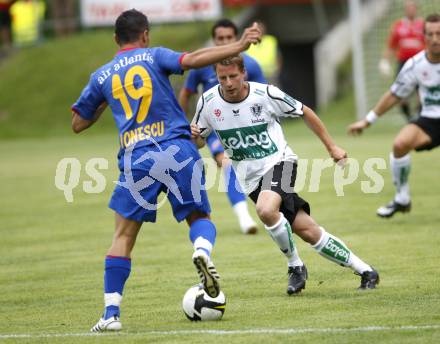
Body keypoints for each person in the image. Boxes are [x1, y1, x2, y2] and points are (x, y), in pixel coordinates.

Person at [71, 9, 262, 332]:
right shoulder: (155, 55)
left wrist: (106, 100)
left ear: (116, 39)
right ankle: (202, 252)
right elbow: (194, 60)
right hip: (178, 150)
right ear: (145, 34)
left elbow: (78, 123)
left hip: (138, 158)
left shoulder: (102, 76)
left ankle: (111, 314)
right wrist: (239, 46)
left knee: (123, 236)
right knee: (199, 219)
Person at [191, 55, 380, 296]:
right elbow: (198, 141)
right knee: (307, 230)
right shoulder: (208, 101)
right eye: (222, 78)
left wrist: (331, 147)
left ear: (244, 73)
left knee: (266, 210)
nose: (228, 83)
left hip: (281, 161)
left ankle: (295, 265)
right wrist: (195, 135)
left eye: (233, 76)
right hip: (249, 178)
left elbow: (305, 111)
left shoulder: (266, 94)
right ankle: (365, 270)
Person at [348, 14, 440, 218]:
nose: (435, 38)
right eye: (431, 34)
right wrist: (368, 120)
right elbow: (394, 95)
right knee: (400, 144)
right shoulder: (415, 65)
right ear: (423, 36)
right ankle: (402, 198)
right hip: (430, 119)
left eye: (439, 33)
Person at [179, 18, 265, 235]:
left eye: (229, 37)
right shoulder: (201, 66)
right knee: (228, 163)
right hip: (216, 129)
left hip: (247, 129)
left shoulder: (251, 66)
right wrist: (181, 124)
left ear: (236, 39)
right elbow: (186, 94)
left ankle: (270, 208)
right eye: (220, 38)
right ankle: (245, 218)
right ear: (214, 40)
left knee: (253, 168)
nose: (225, 42)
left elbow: (264, 97)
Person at [378, 0, 424, 121]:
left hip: (420, 64)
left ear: (416, 8)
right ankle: (410, 119)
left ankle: (419, 119)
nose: (410, 9)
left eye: (412, 7)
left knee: (422, 95)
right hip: (403, 64)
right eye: (408, 7)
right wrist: (384, 61)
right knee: (400, 96)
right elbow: (391, 46)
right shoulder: (398, 26)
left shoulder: (423, 25)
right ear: (405, 9)